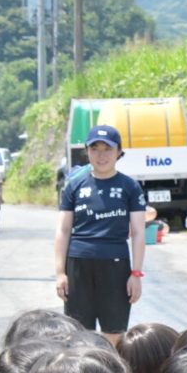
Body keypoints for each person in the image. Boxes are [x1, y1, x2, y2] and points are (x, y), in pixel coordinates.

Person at [54, 125, 146, 345]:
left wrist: (136, 274)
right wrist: (60, 273)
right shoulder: (75, 185)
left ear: (119, 152)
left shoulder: (129, 186)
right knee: (78, 333)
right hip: (78, 264)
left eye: (108, 149)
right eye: (95, 148)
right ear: (87, 151)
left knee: (114, 332)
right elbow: (63, 230)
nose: (101, 155)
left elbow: (138, 232)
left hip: (116, 265)